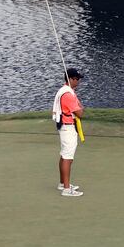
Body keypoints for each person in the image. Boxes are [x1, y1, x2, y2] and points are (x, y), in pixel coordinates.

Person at [53, 68, 85, 197]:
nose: (79, 81)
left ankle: (62, 184)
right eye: (77, 79)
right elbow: (80, 113)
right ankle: (66, 189)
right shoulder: (68, 94)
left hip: (64, 127)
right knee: (68, 158)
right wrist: (80, 106)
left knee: (64, 155)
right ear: (70, 79)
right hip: (68, 127)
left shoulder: (65, 90)